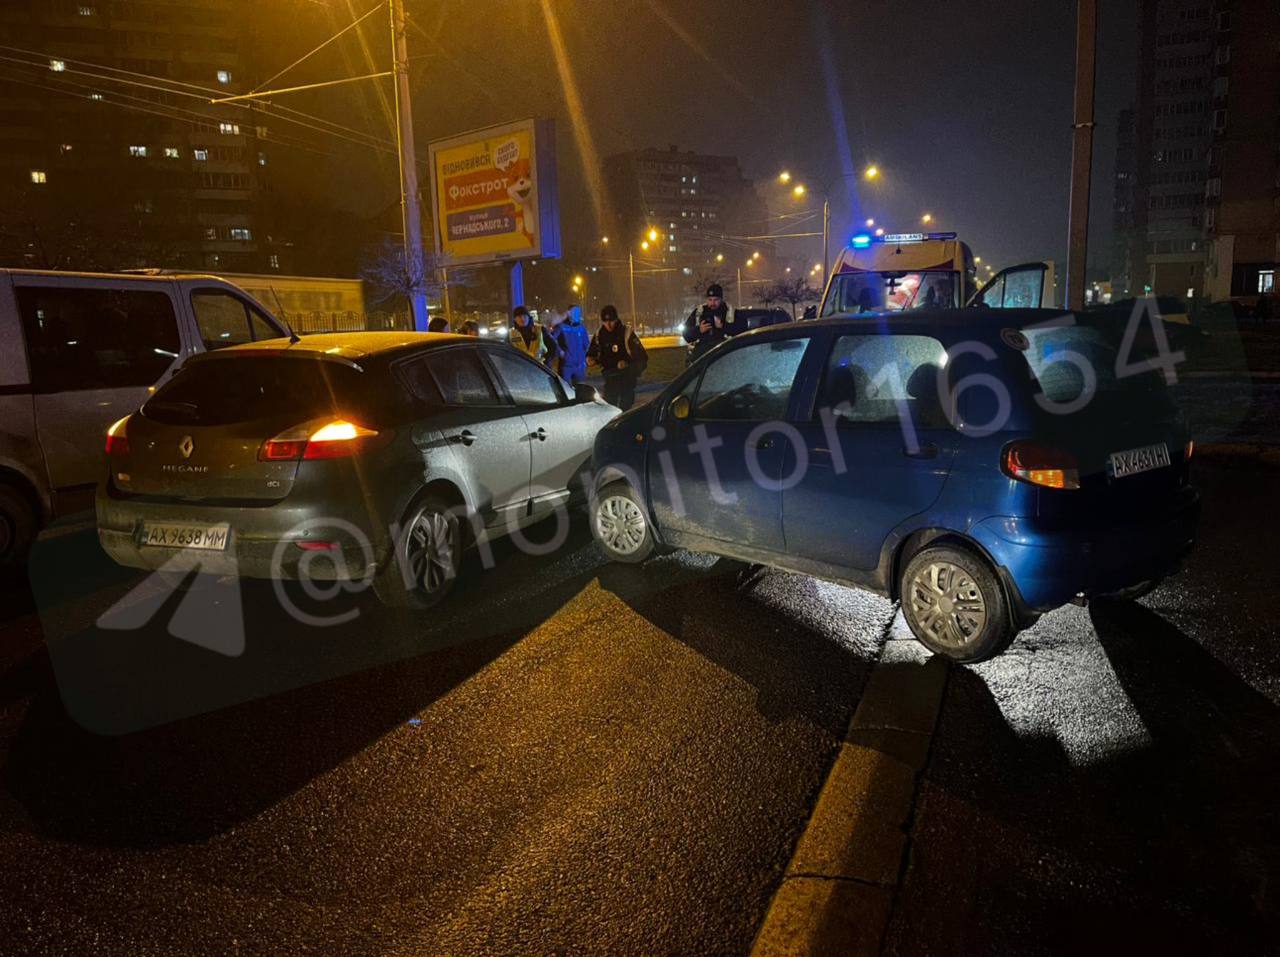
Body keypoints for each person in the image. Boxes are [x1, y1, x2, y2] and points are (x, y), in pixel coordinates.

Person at [588, 304, 648, 410]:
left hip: (626, 379)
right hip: (610, 379)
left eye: (612, 321)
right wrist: (591, 359)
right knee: (610, 409)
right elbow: (592, 352)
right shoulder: (599, 335)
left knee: (625, 408)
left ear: (616, 319)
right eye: (606, 322)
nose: (609, 325)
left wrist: (628, 364)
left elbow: (642, 358)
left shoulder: (626, 333)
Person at [682, 283, 740, 364]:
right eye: (710, 300)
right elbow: (686, 334)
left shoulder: (730, 312)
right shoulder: (699, 312)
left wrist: (723, 326)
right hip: (702, 356)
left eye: (716, 300)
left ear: (721, 299)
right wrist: (699, 330)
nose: (712, 303)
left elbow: (740, 332)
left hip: (725, 355)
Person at [557, 303, 591, 384]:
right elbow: (552, 340)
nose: (577, 314)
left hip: (579, 367)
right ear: (569, 313)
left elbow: (586, 344)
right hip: (566, 367)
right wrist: (560, 352)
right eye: (575, 312)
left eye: (578, 313)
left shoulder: (581, 328)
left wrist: (585, 359)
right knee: (566, 391)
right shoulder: (561, 327)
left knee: (580, 390)